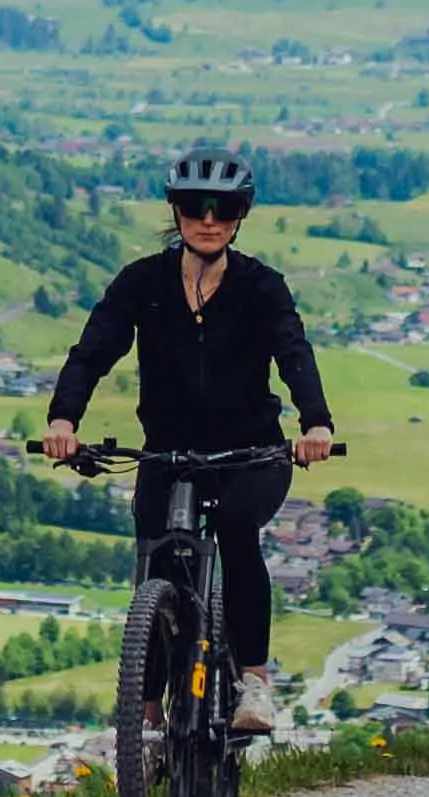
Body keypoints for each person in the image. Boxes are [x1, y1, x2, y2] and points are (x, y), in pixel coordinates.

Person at [33, 143, 339, 756]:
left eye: (222, 209)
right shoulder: (141, 284)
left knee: (232, 525)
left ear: (240, 215)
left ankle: (253, 682)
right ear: (175, 212)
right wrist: (64, 419)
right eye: (195, 207)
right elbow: (92, 351)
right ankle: (145, 723)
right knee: (155, 556)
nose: (208, 219)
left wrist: (316, 425)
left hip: (251, 454)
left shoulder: (260, 287)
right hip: (168, 454)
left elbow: (293, 353)